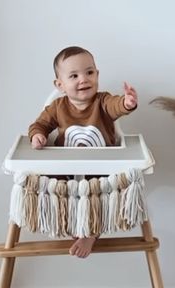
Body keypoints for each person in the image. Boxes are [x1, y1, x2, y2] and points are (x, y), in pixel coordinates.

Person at [28, 45, 138, 258]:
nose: (83, 79)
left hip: (99, 170)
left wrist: (126, 102)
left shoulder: (102, 101)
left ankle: (91, 232)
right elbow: (39, 124)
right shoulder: (57, 107)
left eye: (89, 72)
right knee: (52, 186)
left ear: (97, 75)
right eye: (74, 75)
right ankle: (68, 224)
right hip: (67, 169)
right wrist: (37, 136)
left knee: (102, 193)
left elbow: (116, 106)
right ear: (60, 85)